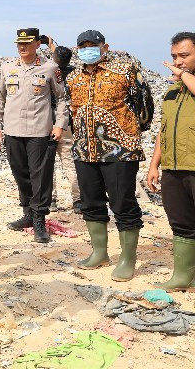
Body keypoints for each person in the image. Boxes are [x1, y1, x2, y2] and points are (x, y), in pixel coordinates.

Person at [66, 30, 145, 282]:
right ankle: (99, 252)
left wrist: (129, 132)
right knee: (91, 202)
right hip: (84, 149)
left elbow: (143, 106)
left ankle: (127, 260)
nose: (88, 49)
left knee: (123, 202)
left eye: (93, 45)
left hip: (120, 150)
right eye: (83, 46)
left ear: (105, 47)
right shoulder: (74, 77)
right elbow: (71, 109)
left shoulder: (125, 71)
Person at [0, 28, 69, 243]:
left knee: (40, 177)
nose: (22, 48)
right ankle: (28, 213)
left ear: (37, 44)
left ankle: (39, 219)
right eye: (19, 44)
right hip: (13, 131)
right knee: (20, 174)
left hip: (39, 131)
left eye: (27, 43)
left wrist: (60, 124)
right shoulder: (7, 67)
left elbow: (62, 98)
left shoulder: (50, 68)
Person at [148, 32, 195, 290]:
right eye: (174, 56)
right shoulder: (172, 91)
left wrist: (183, 76)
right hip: (174, 168)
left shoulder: (185, 81)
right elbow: (163, 131)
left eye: (184, 56)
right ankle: (183, 276)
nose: (178, 62)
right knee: (181, 223)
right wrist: (155, 164)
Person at [48, 39, 82, 214]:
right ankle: (78, 200)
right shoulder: (74, 73)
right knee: (69, 161)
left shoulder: (49, 71)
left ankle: (51, 200)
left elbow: (53, 62)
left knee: (48, 163)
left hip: (47, 119)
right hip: (66, 120)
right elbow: (60, 59)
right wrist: (53, 46)